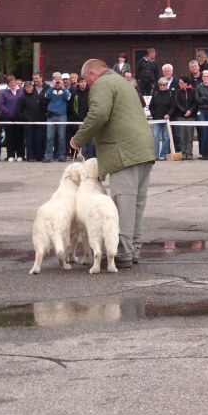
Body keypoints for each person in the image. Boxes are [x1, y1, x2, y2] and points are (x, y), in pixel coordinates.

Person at [70, 58, 154, 269]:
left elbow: (98, 114)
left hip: (123, 152)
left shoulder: (102, 84)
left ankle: (122, 255)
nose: (87, 85)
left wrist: (78, 138)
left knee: (123, 206)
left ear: (92, 74)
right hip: (143, 150)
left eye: (85, 80)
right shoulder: (122, 82)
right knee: (136, 205)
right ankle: (132, 251)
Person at [43, 76, 71, 162]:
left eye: (59, 82)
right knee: (49, 137)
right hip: (51, 116)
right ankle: (48, 156)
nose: (58, 84)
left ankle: (61, 155)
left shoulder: (65, 91)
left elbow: (68, 98)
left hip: (62, 116)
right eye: (56, 82)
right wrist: (52, 86)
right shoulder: (51, 90)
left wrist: (62, 87)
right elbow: (46, 96)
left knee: (62, 137)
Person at [17, 80, 46, 161]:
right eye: (27, 87)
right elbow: (19, 111)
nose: (29, 88)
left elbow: (42, 108)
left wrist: (42, 117)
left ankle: (39, 156)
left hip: (38, 122)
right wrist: (25, 118)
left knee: (38, 139)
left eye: (30, 87)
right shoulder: (22, 98)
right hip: (28, 123)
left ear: (32, 87)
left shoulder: (37, 96)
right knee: (29, 139)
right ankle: (30, 156)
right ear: (24, 88)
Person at [148, 76, 174, 160]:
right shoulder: (155, 94)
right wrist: (154, 114)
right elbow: (151, 106)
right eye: (161, 85)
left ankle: (163, 154)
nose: (162, 86)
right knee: (155, 137)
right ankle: (156, 155)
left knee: (166, 137)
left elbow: (173, 106)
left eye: (164, 85)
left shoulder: (170, 94)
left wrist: (168, 114)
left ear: (167, 85)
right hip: (156, 119)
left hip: (166, 120)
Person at [172, 75, 197, 159]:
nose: (180, 84)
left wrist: (190, 110)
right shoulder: (178, 92)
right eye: (179, 83)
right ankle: (183, 152)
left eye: (181, 83)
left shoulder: (193, 91)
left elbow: (195, 102)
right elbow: (177, 103)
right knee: (182, 136)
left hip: (191, 116)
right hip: (181, 116)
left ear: (186, 84)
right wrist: (184, 111)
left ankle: (189, 153)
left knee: (190, 136)